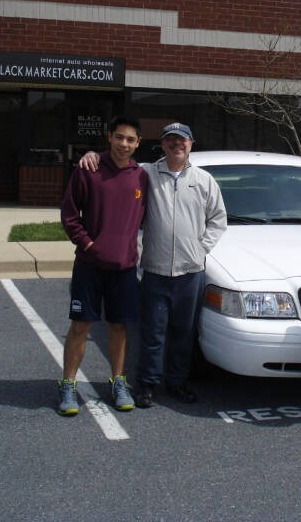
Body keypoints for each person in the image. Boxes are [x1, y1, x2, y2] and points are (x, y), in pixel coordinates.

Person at [80, 121, 226, 407]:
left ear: (190, 144)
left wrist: (201, 248)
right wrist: (92, 155)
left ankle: (177, 382)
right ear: (162, 144)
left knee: (183, 333)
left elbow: (218, 219)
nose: (176, 144)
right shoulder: (145, 173)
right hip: (155, 270)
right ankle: (147, 383)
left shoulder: (204, 180)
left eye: (182, 140)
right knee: (152, 332)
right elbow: (118, 164)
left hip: (190, 272)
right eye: (170, 139)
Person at [58, 117, 148, 416]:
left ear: (138, 143)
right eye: (119, 137)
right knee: (80, 326)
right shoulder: (89, 170)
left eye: (130, 139)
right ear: (109, 137)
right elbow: (70, 215)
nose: (124, 144)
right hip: (90, 266)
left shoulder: (141, 176)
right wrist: (88, 244)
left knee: (119, 326)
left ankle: (118, 382)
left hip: (124, 268)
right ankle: (68, 385)